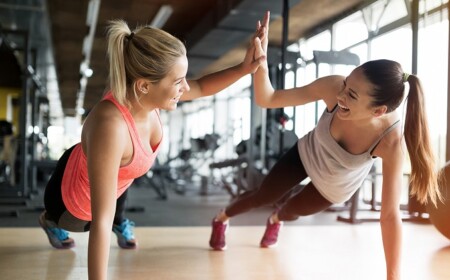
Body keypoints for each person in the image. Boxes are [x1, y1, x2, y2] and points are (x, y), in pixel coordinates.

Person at [209, 11, 442, 280]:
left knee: (291, 211)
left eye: (351, 95)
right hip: (306, 154)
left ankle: (276, 220)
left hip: (334, 186)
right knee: (264, 196)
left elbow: (390, 215)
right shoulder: (333, 88)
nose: (341, 95)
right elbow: (268, 98)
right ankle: (222, 218)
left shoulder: (390, 142)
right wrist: (260, 62)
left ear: (378, 112)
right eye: (346, 84)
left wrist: (393, 276)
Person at [39, 17, 266, 280]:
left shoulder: (146, 96)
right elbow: (100, 221)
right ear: (144, 85)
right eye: (178, 81)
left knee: (118, 188)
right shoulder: (111, 126)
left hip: (113, 172)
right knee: (92, 219)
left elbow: (202, 87)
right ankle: (49, 221)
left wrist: (244, 68)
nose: (186, 87)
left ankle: (116, 212)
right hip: (70, 203)